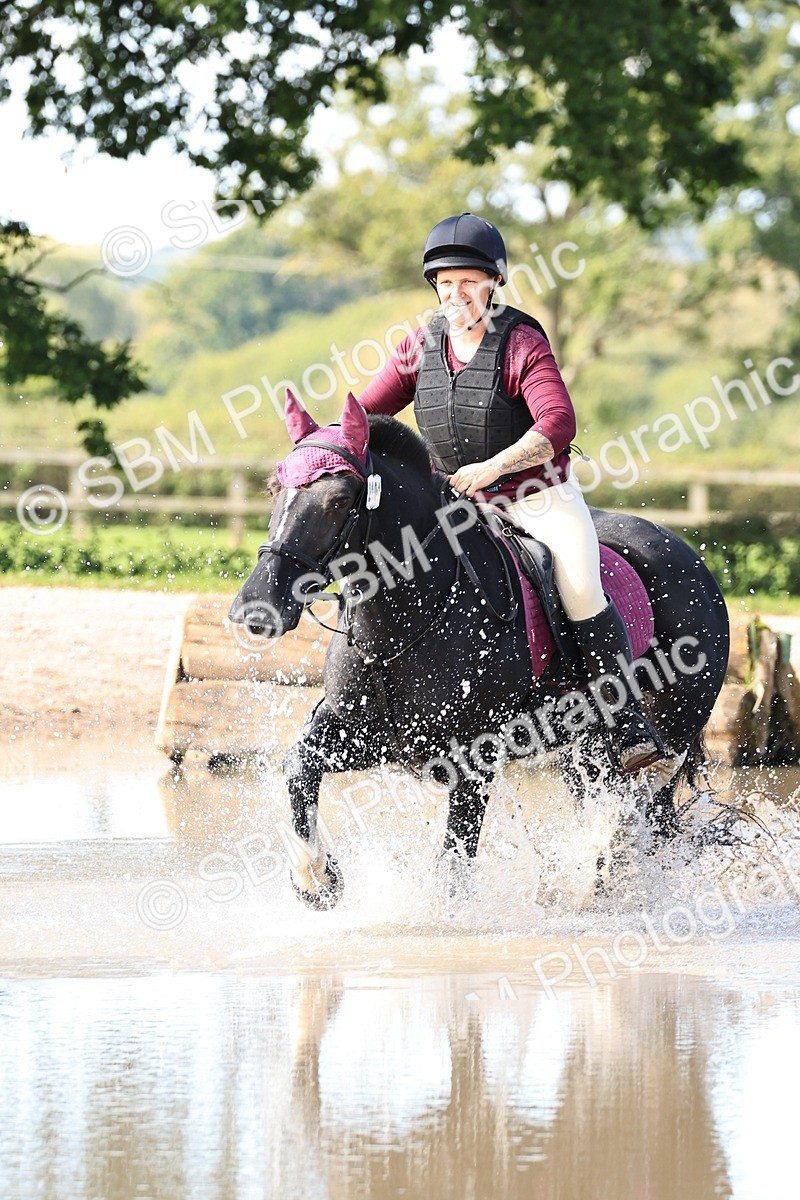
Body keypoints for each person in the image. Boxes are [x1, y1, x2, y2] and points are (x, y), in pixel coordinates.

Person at [358, 211, 664, 773]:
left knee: (579, 586)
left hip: (537, 498)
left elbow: (558, 422)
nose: (456, 294)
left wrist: (493, 467)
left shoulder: (521, 343)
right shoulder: (418, 346)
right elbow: (366, 414)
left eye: (468, 282)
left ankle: (625, 722)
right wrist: (325, 443)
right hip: (454, 504)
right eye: (445, 283)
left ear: (495, 281)